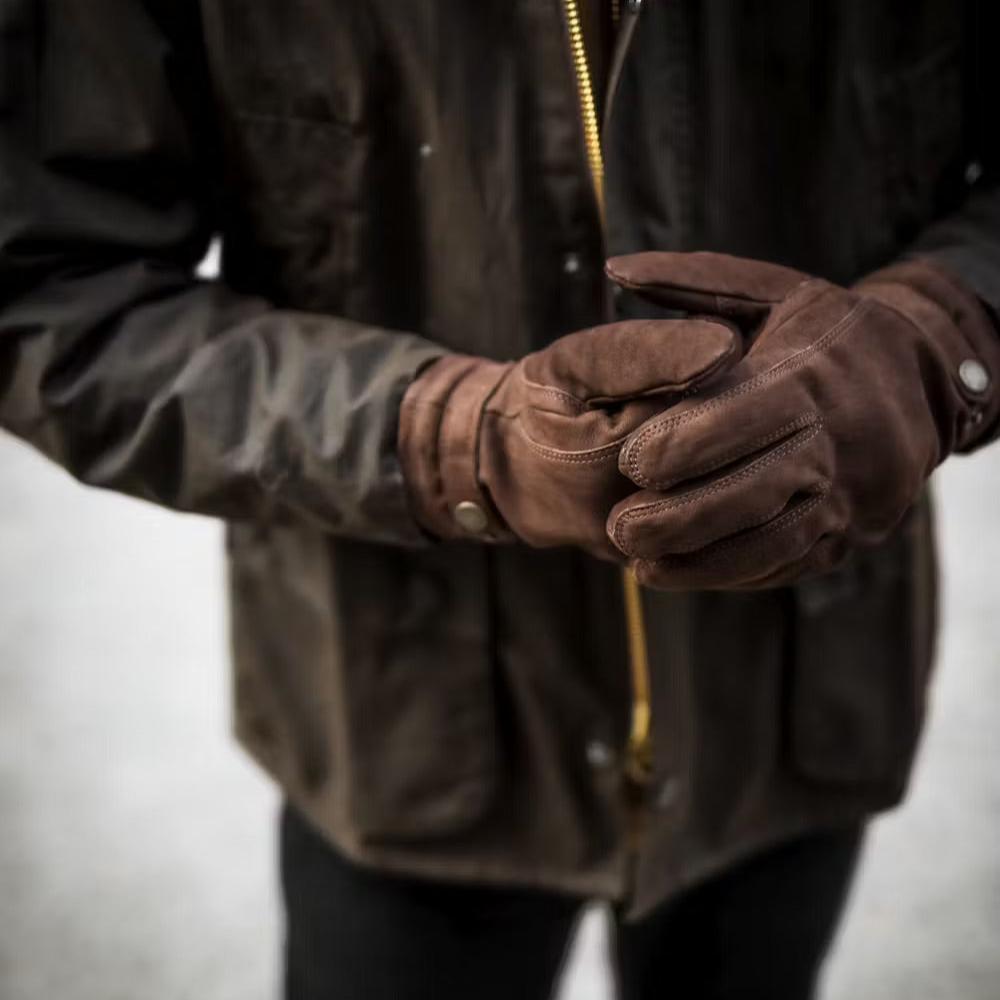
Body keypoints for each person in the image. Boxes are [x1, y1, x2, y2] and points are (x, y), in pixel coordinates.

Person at [1, 2, 997, 998]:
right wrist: (455, 440)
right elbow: (48, 289)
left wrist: (927, 345)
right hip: (407, 720)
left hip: (796, 697)